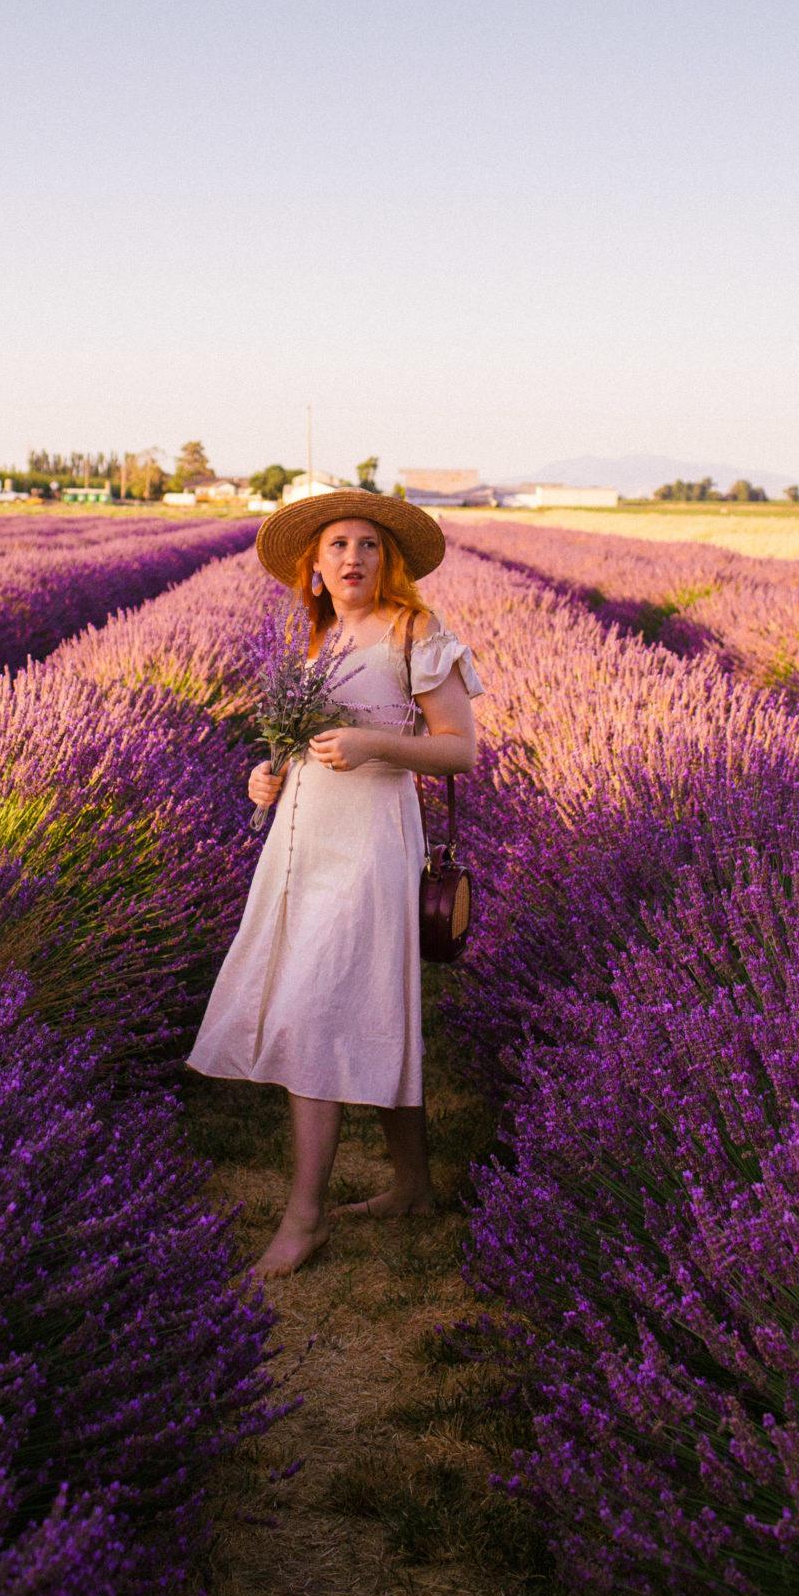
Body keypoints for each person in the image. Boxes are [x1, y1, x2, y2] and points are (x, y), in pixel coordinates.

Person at [187, 489, 484, 1276]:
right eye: (337, 546)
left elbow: (460, 751)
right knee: (378, 1002)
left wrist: (375, 744)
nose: (353, 557)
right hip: (303, 840)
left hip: (371, 844)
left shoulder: (415, 633)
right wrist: (268, 774)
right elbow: (300, 745)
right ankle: (414, 1186)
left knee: (313, 1008)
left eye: (368, 545)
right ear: (313, 570)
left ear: (387, 561)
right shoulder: (318, 642)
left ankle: (306, 1217)